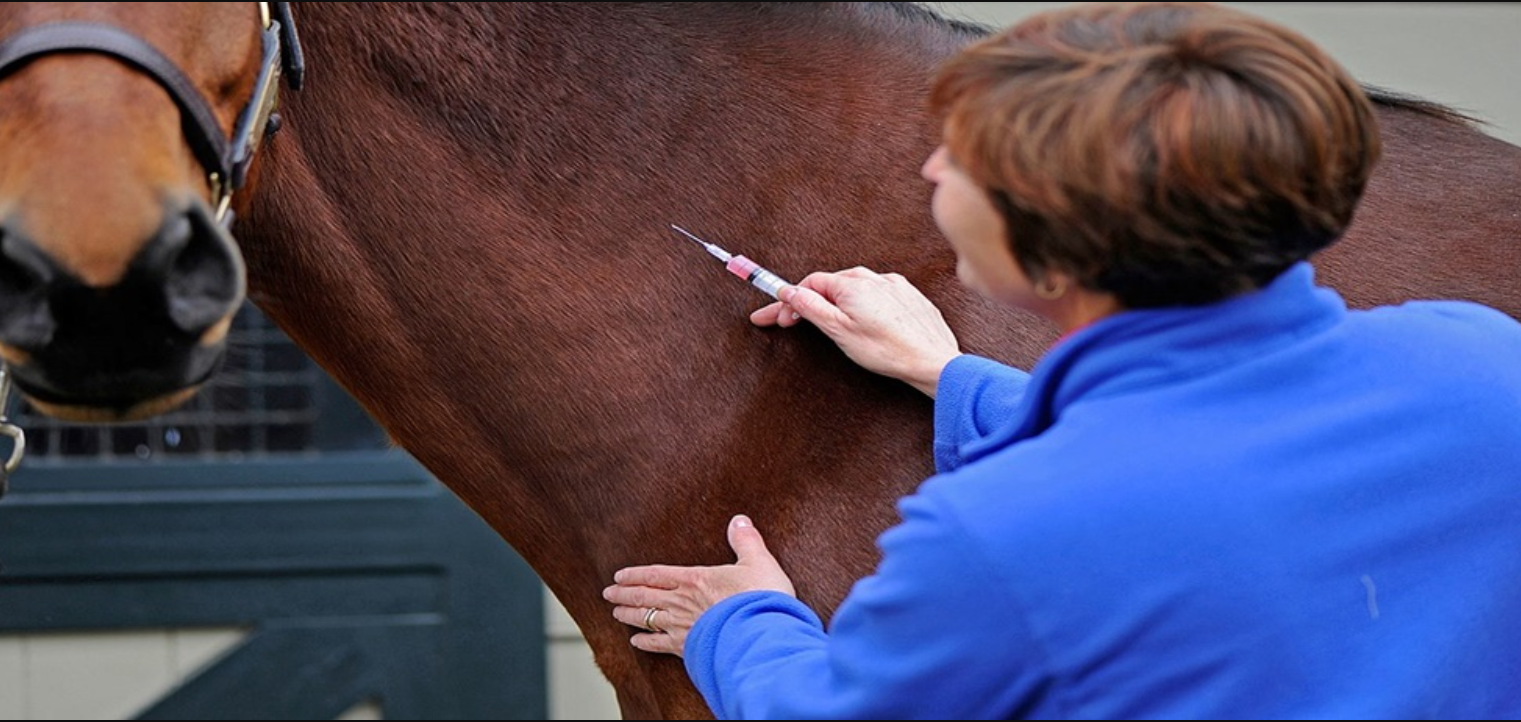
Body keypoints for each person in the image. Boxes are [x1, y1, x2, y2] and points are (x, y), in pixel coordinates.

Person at [602, 2, 1521, 718]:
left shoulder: (995, 534)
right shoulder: (1479, 360)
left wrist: (743, 625)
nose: (928, 174)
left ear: (1048, 245)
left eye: (965, 160)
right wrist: (947, 376)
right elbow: (1223, 462)